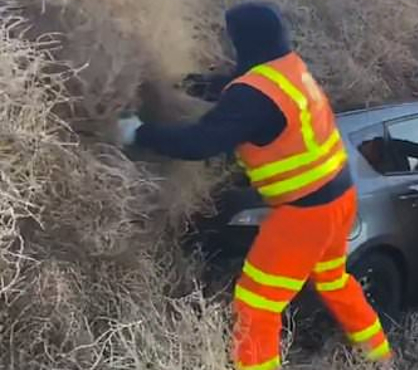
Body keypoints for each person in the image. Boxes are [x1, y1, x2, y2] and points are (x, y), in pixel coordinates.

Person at [115, 2, 393, 369]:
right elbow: (245, 90)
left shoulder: (253, 96)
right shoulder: (289, 68)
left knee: (256, 304)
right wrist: (193, 85)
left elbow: (201, 142)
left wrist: (140, 132)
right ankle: (379, 354)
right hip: (340, 197)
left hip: (304, 215)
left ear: (242, 41)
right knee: (333, 279)